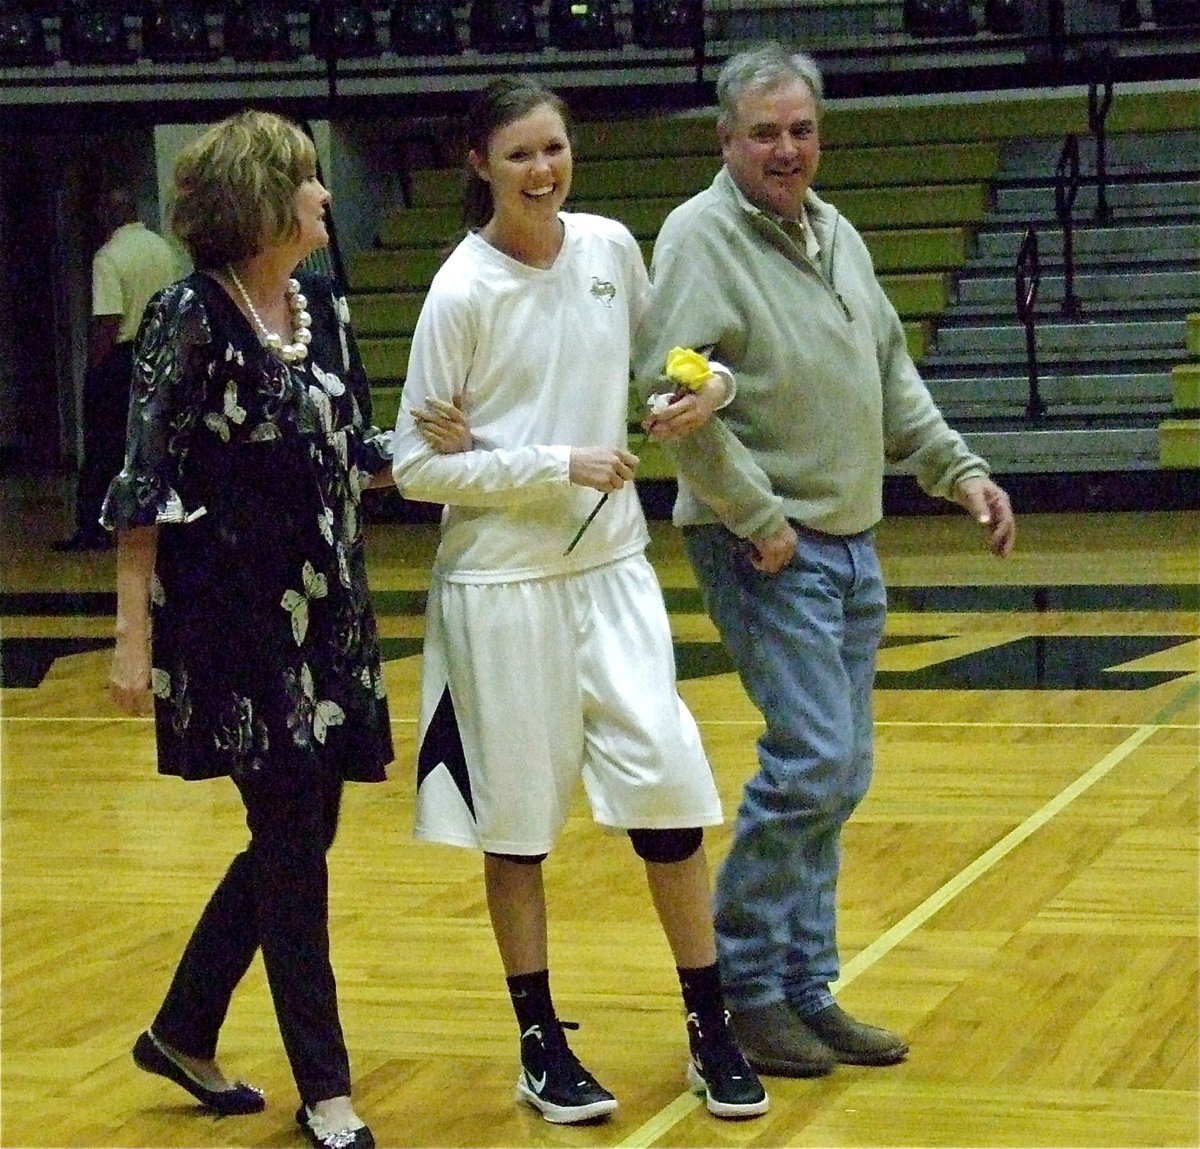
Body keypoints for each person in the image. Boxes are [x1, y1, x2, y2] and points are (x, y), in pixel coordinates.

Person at [633, 42, 1017, 1079]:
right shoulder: (700, 236)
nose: (787, 149)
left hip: (850, 539)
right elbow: (673, 403)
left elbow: (886, 369)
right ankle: (746, 988)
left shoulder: (835, 232)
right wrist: (758, 516)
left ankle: (806, 985)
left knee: (839, 772)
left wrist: (957, 467)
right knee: (811, 760)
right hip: (768, 546)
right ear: (727, 140)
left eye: (801, 130)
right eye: (765, 133)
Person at [391, 77, 768, 1126]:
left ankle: (711, 1027)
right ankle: (540, 1042)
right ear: (480, 164)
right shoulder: (459, 291)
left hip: (613, 571)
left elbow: (666, 368)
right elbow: (412, 463)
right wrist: (551, 462)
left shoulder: (608, 248)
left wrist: (707, 394)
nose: (542, 170)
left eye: (553, 148)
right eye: (519, 155)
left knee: (672, 788)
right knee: (517, 826)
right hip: (502, 587)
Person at [104, 110, 394, 1149]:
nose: (326, 197)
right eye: (310, 182)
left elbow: (353, 441)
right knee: (292, 848)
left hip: (328, 616)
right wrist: (133, 638)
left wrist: (453, 448)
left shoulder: (319, 302)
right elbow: (141, 487)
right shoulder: (189, 315)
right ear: (267, 201)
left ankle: (184, 1029)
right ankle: (329, 1093)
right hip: (232, 629)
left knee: (299, 835)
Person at [54, 186, 179, 552]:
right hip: (158, 356)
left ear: (109, 215)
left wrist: (95, 366)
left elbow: (109, 318)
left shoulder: (108, 256)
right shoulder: (162, 248)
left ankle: (93, 527)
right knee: (154, 443)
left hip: (121, 358)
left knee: (102, 446)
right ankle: (158, 521)